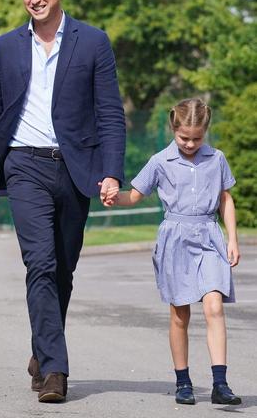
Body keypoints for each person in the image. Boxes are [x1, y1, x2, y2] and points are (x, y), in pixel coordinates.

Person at [0, 0, 126, 402]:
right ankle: (56, 371)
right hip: (23, 166)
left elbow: (110, 113)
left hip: (76, 169)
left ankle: (42, 350)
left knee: (63, 268)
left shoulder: (93, 42)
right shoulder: (5, 47)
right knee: (39, 263)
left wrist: (112, 171)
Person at [109, 98, 241, 406]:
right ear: (174, 129)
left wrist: (232, 238)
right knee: (180, 313)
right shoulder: (159, 161)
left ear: (205, 132)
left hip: (209, 236)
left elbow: (225, 199)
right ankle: (183, 382)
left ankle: (220, 383)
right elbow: (135, 196)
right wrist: (113, 196)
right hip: (175, 239)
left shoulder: (216, 158)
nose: (191, 143)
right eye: (184, 138)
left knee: (214, 307)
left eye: (197, 138)